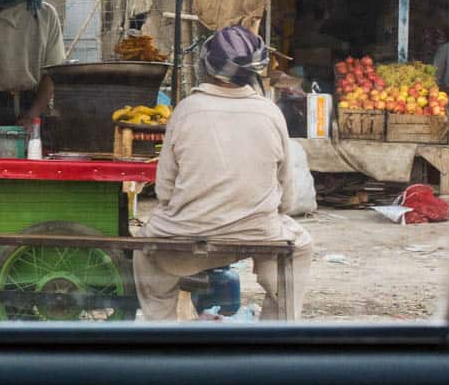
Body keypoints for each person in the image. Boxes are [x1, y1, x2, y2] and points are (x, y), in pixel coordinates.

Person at [132, 26, 313, 321]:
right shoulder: (270, 113)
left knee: (145, 251)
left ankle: (161, 340)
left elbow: (164, 191)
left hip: (185, 235)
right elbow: (287, 198)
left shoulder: (186, 110)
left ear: (209, 65)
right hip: (258, 233)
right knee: (300, 246)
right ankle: (278, 340)